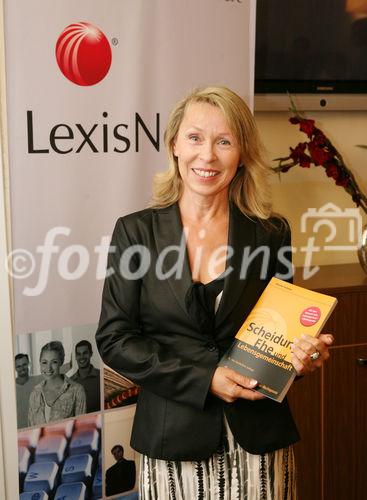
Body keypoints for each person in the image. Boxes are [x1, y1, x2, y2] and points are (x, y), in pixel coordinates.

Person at [96, 86, 334, 499]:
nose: (207, 155)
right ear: (174, 145)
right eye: (195, 138)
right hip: (174, 445)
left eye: (224, 141)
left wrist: (303, 355)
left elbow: (281, 330)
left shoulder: (270, 232)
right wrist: (205, 380)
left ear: (241, 153)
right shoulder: (135, 232)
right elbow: (114, 340)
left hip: (259, 444)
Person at [28, 341, 87, 426]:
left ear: (61, 362)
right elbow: (30, 428)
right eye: (44, 362)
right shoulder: (35, 393)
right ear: (40, 363)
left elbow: (82, 428)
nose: (48, 368)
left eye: (54, 362)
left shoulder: (77, 390)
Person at [70, 340, 101, 413]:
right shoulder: (70, 382)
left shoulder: (101, 376)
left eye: (85, 353)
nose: (82, 357)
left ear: (91, 354)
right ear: (75, 357)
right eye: (78, 354)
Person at [15, 354, 42, 428]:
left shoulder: (37, 380)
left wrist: (71, 364)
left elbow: (53, 373)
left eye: (24, 364)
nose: (22, 368)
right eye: (19, 366)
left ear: (28, 364)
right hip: (17, 429)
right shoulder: (10, 387)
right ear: (15, 368)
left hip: (34, 427)